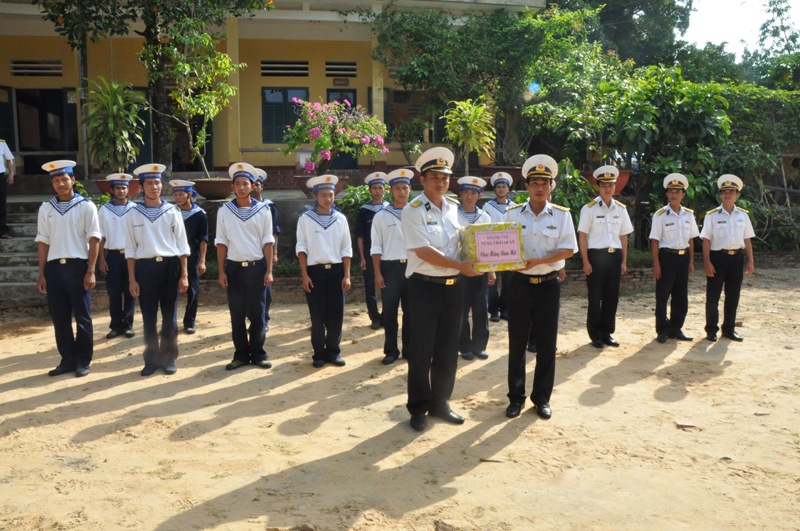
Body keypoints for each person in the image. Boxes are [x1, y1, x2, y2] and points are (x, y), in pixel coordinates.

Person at [401, 147, 481, 432]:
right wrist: (461, 266)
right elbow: (423, 251)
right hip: (424, 288)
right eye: (434, 177)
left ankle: (441, 403)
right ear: (422, 180)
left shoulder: (453, 208)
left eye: (445, 177)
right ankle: (418, 407)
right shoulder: (413, 211)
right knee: (421, 351)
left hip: (453, 288)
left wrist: (487, 259)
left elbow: (463, 243)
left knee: (448, 349)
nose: (441, 182)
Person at [504, 155, 577, 420]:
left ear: (551, 186)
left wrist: (539, 260)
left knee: (547, 344)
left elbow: (569, 249)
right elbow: (500, 245)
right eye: (534, 183)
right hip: (519, 285)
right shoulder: (512, 214)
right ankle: (515, 398)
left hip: (548, 285)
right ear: (526, 186)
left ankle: (542, 398)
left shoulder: (561, 215)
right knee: (517, 343)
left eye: (544, 183)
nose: (539, 188)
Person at [35, 160, 101, 377]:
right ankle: (67, 360)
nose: (60, 184)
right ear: (52, 183)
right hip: (54, 268)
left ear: (73, 180)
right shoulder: (46, 208)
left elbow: (94, 239)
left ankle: (83, 360)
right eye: (56, 180)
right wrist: (42, 273)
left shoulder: (86, 206)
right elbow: (43, 242)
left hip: (78, 266)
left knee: (82, 317)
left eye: (64, 179)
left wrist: (91, 270)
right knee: (60, 317)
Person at [126, 163, 190, 376]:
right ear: (141, 187)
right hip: (145, 268)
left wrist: (184, 274)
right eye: (149, 183)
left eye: (157, 183)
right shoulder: (133, 214)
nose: (154, 187)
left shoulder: (172, 211)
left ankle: (169, 358)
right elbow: (130, 249)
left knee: (170, 315)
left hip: (170, 267)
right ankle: (151, 360)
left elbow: (182, 245)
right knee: (148, 317)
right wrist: (132, 279)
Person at [216, 163, 274, 370]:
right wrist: (221, 270)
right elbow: (221, 242)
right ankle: (240, 355)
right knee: (237, 314)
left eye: (245, 184)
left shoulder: (263, 210)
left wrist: (269, 270)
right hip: (234, 269)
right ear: (232, 186)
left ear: (252, 186)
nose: (241, 187)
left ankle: (258, 354)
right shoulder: (224, 211)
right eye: (238, 184)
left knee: (258, 313)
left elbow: (268, 242)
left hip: (256, 268)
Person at [296, 174, 352, 368]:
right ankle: (318, 353)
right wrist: (304, 275)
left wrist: (347, 275)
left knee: (336, 315)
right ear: (315, 196)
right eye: (323, 195)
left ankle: (334, 352)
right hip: (315, 273)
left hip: (336, 272)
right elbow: (301, 248)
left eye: (331, 195)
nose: (328, 199)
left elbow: (346, 248)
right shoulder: (306, 219)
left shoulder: (340, 219)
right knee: (317, 316)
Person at [578, 165, 634, 349]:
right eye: (604, 185)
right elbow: (583, 237)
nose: (607, 189)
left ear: (615, 187)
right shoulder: (589, 209)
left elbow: (623, 237)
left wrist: (624, 261)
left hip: (614, 257)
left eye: (610, 185)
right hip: (596, 257)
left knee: (612, 296)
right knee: (595, 297)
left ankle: (607, 332)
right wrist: (585, 261)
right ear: (598, 187)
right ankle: (595, 334)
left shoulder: (621, 209)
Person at [701, 174, 755, 342]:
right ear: (720, 195)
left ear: (737, 194)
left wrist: (750, 261)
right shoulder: (712, 215)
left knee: (733, 296)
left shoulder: (743, 215)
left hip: (736, 259)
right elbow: (706, 240)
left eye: (731, 191)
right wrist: (707, 262)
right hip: (718, 258)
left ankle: (729, 329)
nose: (727, 194)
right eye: (724, 191)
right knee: (713, 296)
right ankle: (711, 329)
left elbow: (747, 240)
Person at [649, 173, 700, 343]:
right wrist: (656, 264)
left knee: (681, 295)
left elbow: (691, 239)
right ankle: (662, 329)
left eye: (677, 192)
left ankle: (676, 328)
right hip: (666, 258)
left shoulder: (688, 215)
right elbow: (655, 241)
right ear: (667, 194)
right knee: (663, 295)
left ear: (683, 194)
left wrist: (691, 261)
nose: (674, 195)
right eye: (671, 192)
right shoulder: (660, 215)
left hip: (683, 258)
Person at [371, 168, 412, 365]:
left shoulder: (417, 213)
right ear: (391, 191)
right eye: (397, 188)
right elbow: (376, 247)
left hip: (413, 268)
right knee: (389, 312)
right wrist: (378, 273)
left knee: (411, 312)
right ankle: (391, 350)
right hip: (390, 268)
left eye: (405, 188)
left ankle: (409, 349)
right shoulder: (381, 216)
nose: (401, 192)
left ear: (410, 189)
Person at [456, 176, 495, 361]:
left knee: (481, 308)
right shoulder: (452, 215)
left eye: (473, 193)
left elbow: (490, 244)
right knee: (461, 309)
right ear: (461, 194)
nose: (469, 196)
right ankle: (464, 347)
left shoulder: (485, 216)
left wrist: (492, 270)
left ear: (479, 196)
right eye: (466, 192)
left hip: (481, 269)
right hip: (460, 269)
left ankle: (480, 346)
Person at [98, 173, 137, 339]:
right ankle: (115, 326)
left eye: (124, 188)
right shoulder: (104, 210)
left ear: (128, 189)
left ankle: (128, 325)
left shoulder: (135, 209)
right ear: (112, 190)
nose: (121, 191)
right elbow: (100, 236)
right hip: (113, 256)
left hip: (131, 256)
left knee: (130, 291)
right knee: (113, 292)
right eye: (118, 188)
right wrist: (102, 258)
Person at [170, 179, 208, 334]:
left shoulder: (199, 214)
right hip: (172, 255)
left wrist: (202, 260)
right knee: (170, 290)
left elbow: (203, 239)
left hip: (192, 256)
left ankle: (189, 322)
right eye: (175, 195)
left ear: (189, 195)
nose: (178, 198)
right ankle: (170, 323)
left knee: (192, 289)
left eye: (181, 194)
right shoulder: (170, 212)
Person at [356, 172, 388, 330]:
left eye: (380, 188)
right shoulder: (364, 210)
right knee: (370, 287)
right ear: (370, 190)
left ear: (384, 189)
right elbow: (360, 236)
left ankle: (387, 317)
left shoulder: (390, 209)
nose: (377, 191)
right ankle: (374, 317)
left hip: (388, 252)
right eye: (374, 188)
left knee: (388, 287)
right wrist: (362, 257)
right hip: (369, 253)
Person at [252, 168, 280, 332]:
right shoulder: (242, 207)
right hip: (250, 252)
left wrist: (275, 253)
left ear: (262, 187)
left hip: (266, 251)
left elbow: (274, 231)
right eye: (252, 184)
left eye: (258, 184)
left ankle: (265, 318)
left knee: (266, 287)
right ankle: (254, 319)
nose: (254, 187)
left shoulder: (269, 206)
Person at [485, 171, 513, 322]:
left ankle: (506, 309)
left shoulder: (514, 207)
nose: (501, 189)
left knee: (509, 281)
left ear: (508, 189)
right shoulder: (488, 206)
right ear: (494, 189)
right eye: (498, 187)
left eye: (503, 187)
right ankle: (494, 310)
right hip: (492, 248)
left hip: (509, 249)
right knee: (492, 281)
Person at [0, 138, 14, 239]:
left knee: (1, 204)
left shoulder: (1, 143)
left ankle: (2, 231)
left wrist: (11, 174)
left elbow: (9, 159)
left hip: (0, 175)